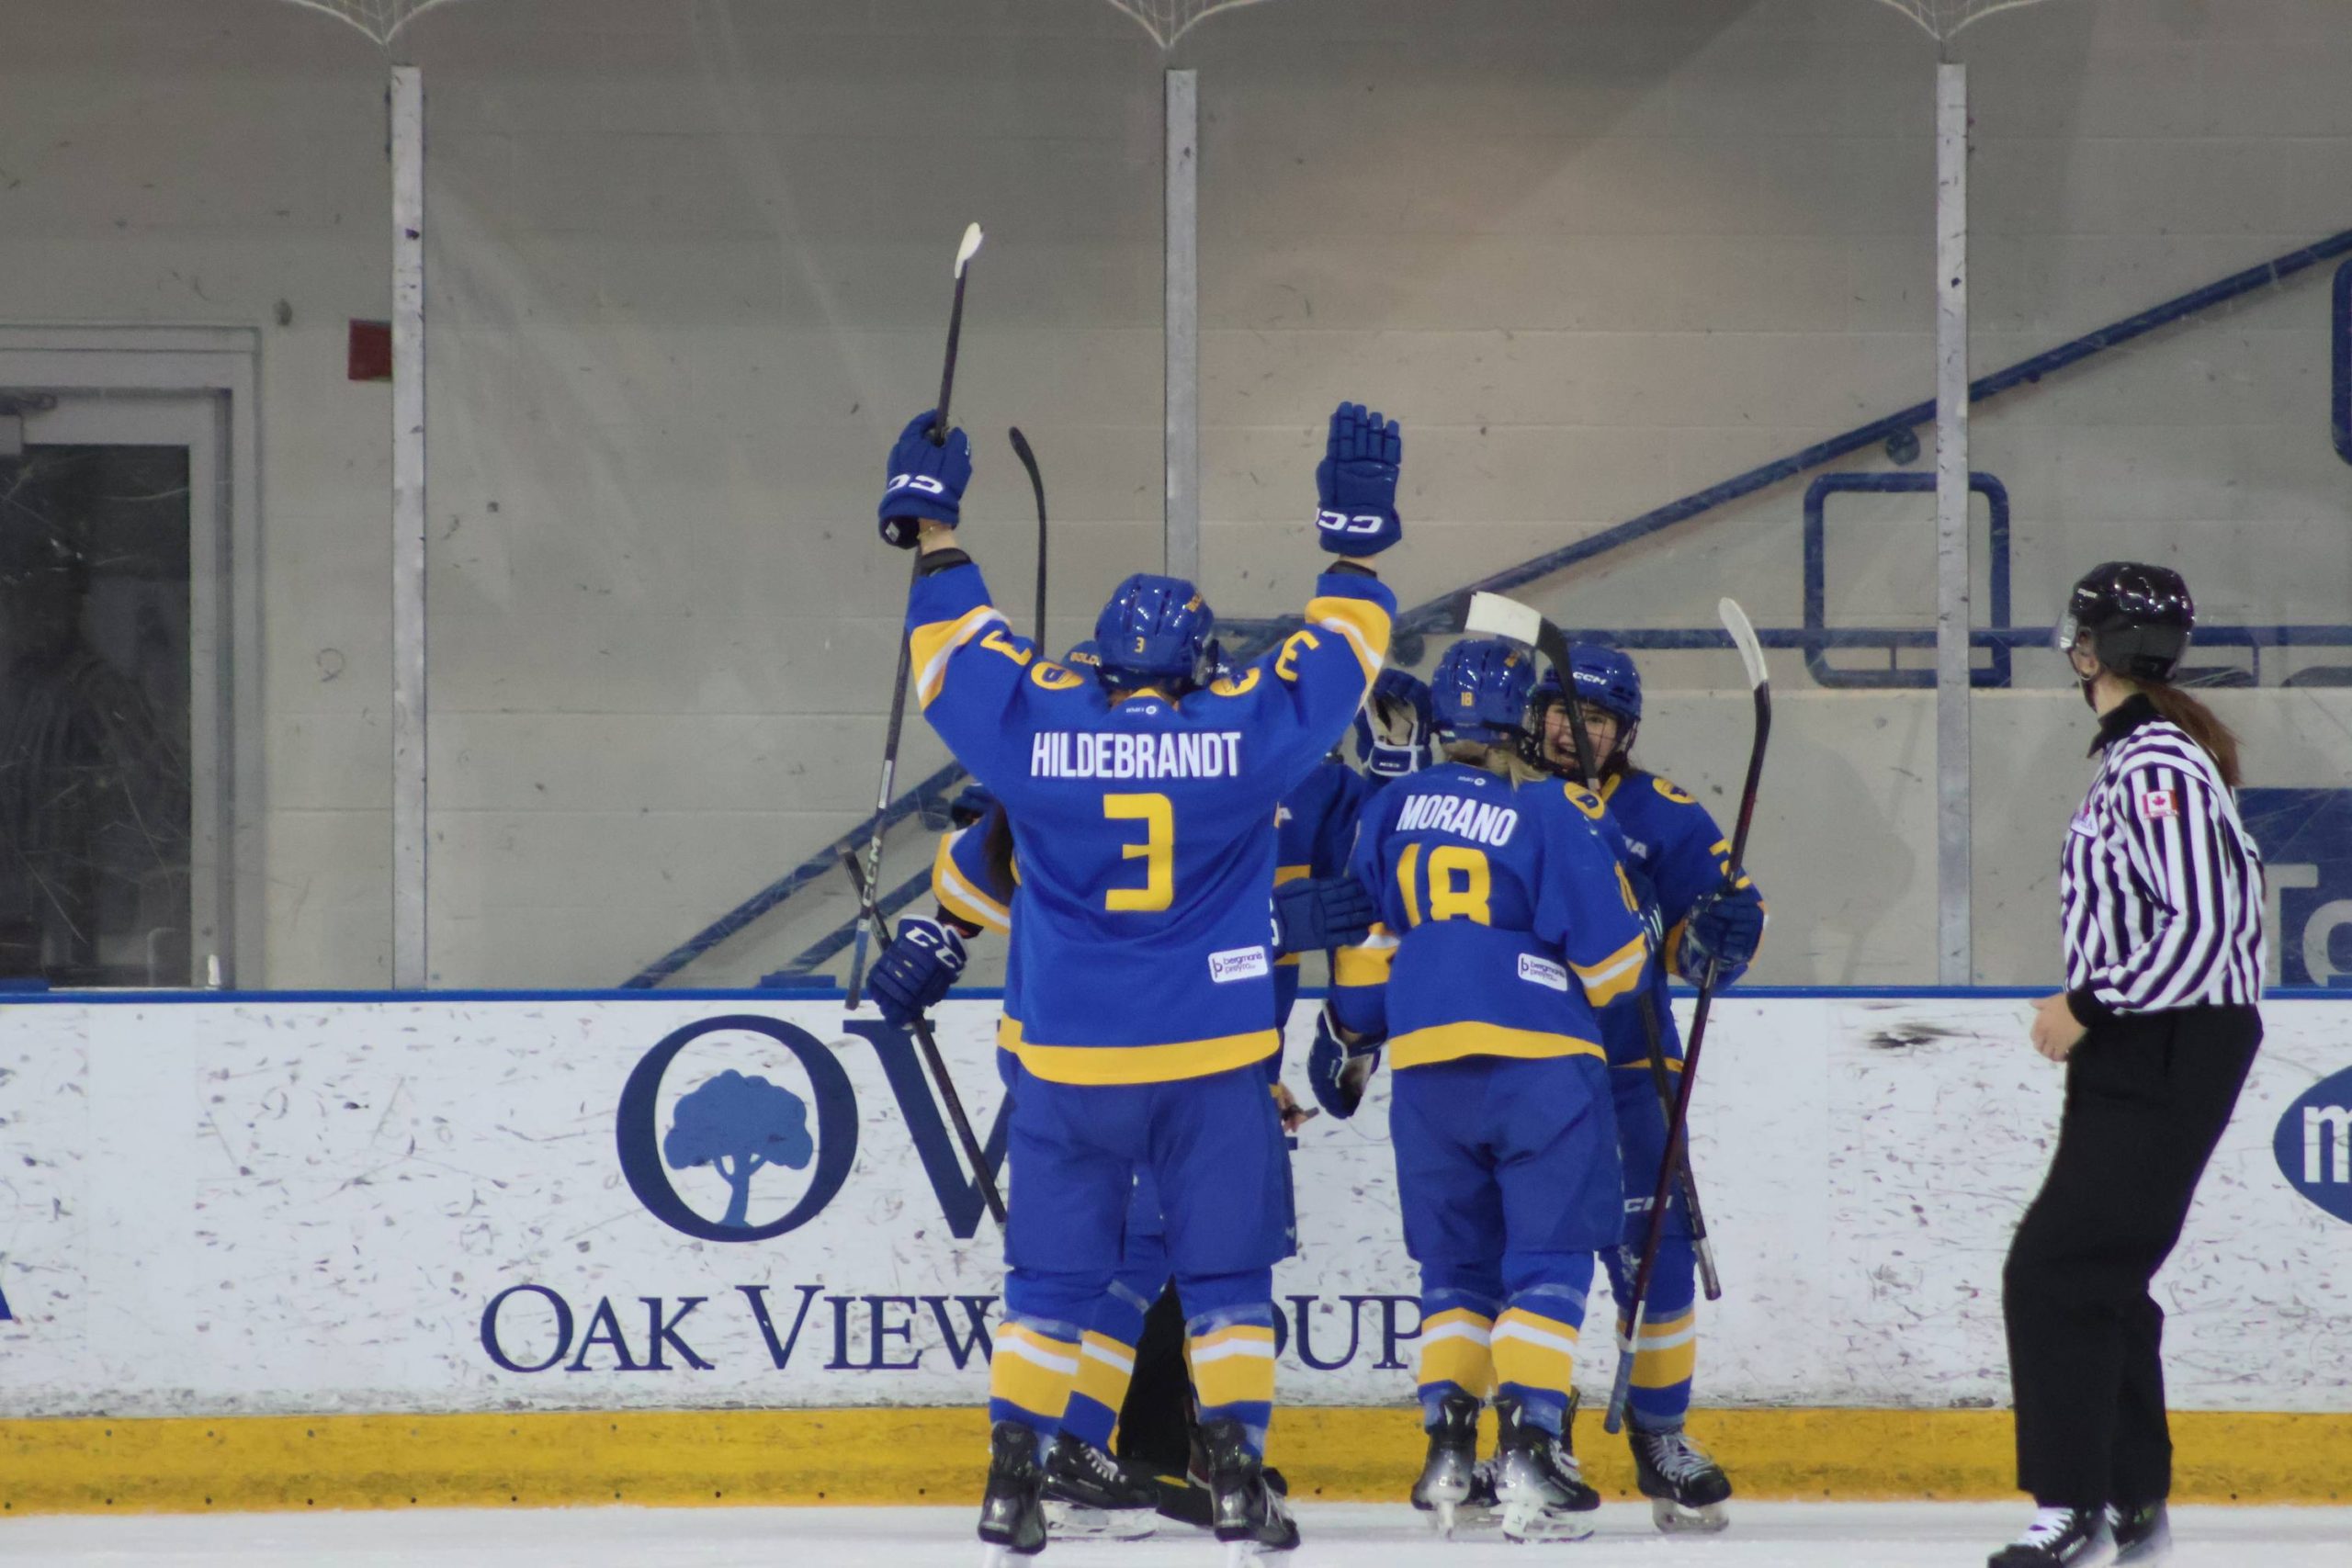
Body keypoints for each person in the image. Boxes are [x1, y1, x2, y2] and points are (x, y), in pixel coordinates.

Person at [876, 400, 1401, 1563]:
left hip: (1067, 1055)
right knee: (1224, 1277)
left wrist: (936, 537)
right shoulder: (1241, 738)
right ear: (1200, 664)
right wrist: (1353, 548)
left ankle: (1012, 1485)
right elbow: (1343, 655)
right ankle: (1238, 1486)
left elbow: (954, 661)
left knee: (1050, 1279)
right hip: (1211, 1059)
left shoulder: (1036, 737)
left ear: (1100, 662)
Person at [1326, 637, 1651, 1544]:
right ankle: (1534, 1453)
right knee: (1544, 1262)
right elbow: (1616, 967)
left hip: (1429, 1069)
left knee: (1456, 1270)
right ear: (1523, 722)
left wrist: (1352, 1036)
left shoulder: (1388, 807)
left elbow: (1360, 967)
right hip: (1540, 1064)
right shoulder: (1549, 809)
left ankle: (1445, 1449)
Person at [1989, 563, 2265, 1568]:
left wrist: (2086, 1005)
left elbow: (2213, 927)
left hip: (2165, 1038)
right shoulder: (2152, 756)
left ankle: (2070, 1507)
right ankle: (2127, 1492)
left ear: (2090, 649)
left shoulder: (2153, 765)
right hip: (2160, 1038)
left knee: (2055, 1268)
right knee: (2103, 1271)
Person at [1533, 646, 1766, 1533]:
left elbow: (1713, 934)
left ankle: (1659, 1434)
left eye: (1592, 718)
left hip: (1631, 1064)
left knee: (1655, 1256)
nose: (1571, 728)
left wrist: (1717, 939)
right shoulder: (1496, 797)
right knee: (1534, 1258)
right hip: (1525, 1065)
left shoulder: (1658, 812)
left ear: (1622, 732)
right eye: (1560, 709)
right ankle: (1533, 1431)